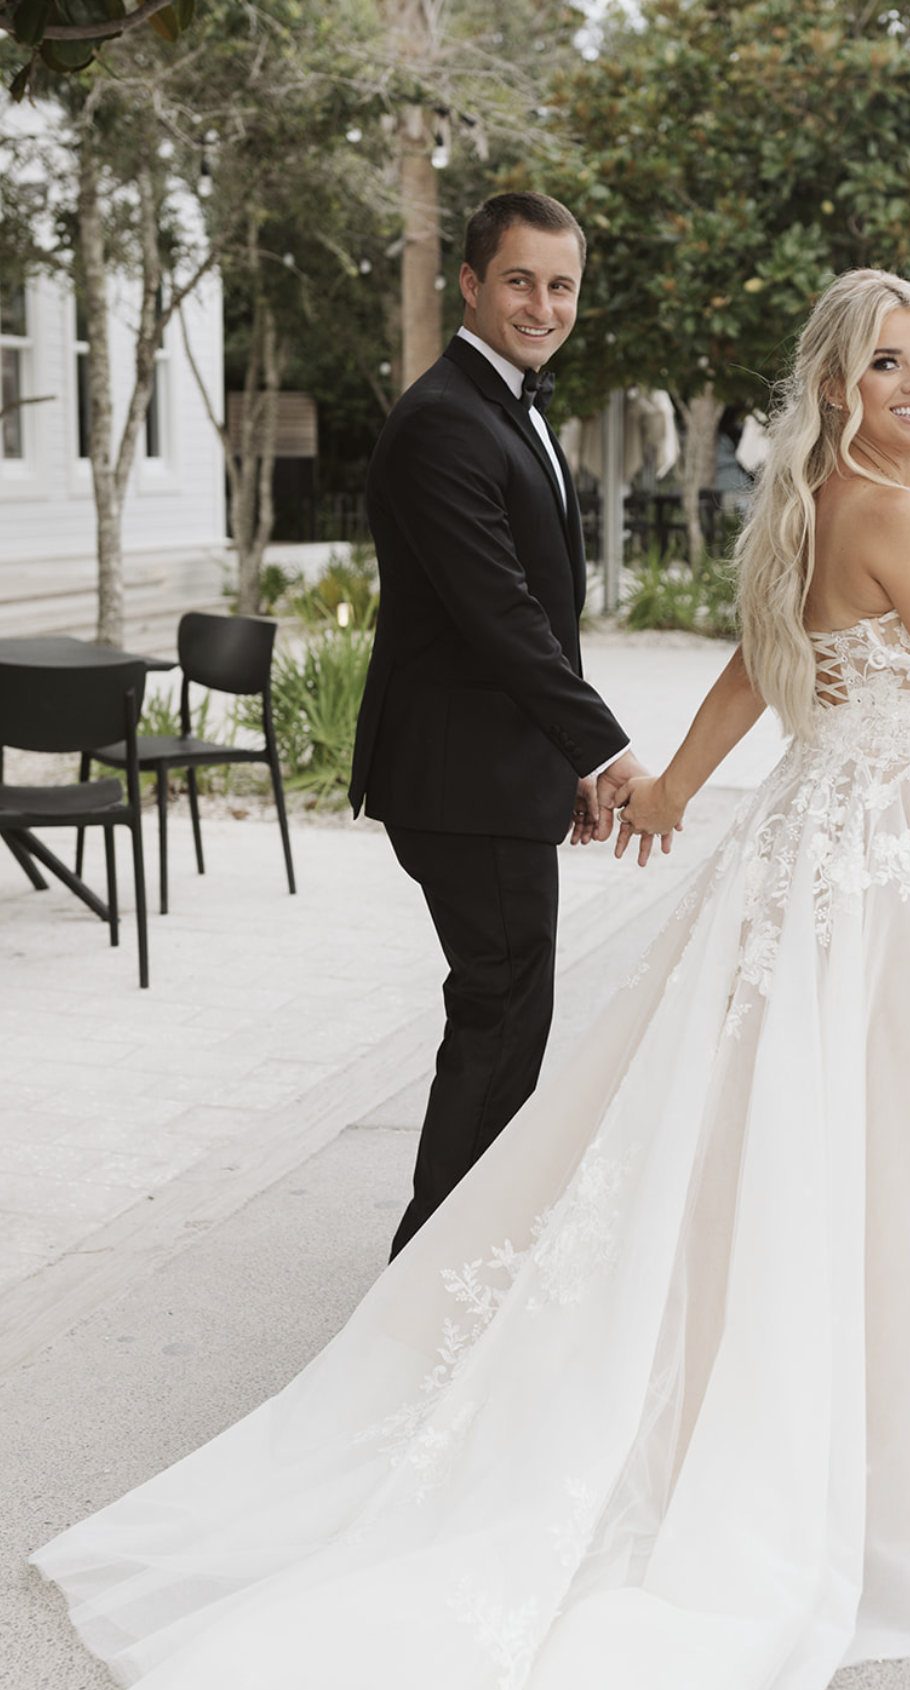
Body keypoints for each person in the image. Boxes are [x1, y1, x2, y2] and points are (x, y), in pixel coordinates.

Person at [8, 270, 910, 1690]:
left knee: (810, 1141)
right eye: (885, 358)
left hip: (824, 853)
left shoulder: (814, 504)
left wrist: (667, 782)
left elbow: (747, 671)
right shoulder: (881, 511)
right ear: (833, 379)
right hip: (881, 873)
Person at [349, 191, 663, 1260]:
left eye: (561, 284)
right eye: (520, 280)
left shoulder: (508, 403)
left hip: (494, 768)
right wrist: (607, 752)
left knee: (507, 1004)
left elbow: (538, 612)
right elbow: (502, 620)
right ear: (472, 283)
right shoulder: (443, 419)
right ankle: (434, 1269)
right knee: (499, 1008)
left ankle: (457, 1260)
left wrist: (563, 759)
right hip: (455, 776)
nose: (542, 303)